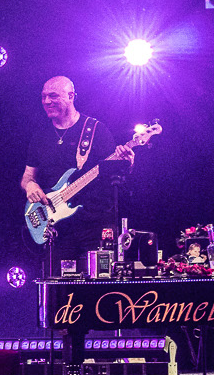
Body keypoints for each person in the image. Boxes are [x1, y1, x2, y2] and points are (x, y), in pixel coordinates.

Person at [20, 75, 136, 272]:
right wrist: (30, 185)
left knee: (100, 286)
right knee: (60, 289)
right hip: (58, 229)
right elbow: (27, 177)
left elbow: (115, 175)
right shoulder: (40, 136)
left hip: (95, 226)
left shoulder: (96, 130)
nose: (47, 101)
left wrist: (126, 163)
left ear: (71, 96)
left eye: (53, 96)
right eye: (43, 97)